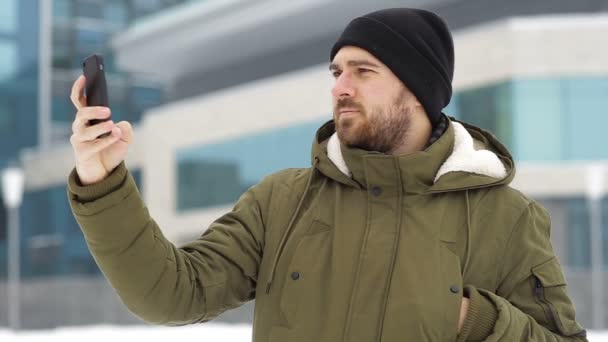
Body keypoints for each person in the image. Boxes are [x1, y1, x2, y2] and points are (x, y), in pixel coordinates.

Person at [67, 7, 588, 342]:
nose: (341, 86)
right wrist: (102, 179)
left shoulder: (508, 217)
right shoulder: (282, 201)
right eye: (337, 71)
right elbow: (170, 293)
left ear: (419, 92)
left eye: (364, 71)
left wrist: (477, 321)